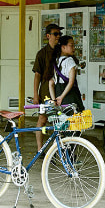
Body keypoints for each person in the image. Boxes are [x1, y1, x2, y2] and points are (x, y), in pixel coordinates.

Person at [33, 23, 62, 151]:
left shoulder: (62, 50)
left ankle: (59, 148)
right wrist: (35, 94)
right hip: (45, 89)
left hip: (60, 88)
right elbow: (37, 75)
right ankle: (40, 148)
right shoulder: (41, 53)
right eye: (55, 34)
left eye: (59, 34)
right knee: (43, 119)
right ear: (48, 36)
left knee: (60, 120)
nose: (58, 36)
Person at [49, 35, 85, 112]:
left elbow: (51, 82)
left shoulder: (56, 60)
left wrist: (54, 100)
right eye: (71, 46)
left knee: (61, 122)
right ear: (63, 47)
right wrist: (62, 97)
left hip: (58, 97)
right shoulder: (70, 61)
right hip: (71, 97)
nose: (74, 48)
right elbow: (71, 82)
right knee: (75, 122)